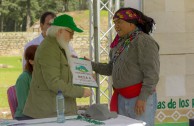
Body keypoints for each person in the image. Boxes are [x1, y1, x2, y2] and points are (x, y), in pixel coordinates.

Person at [91, 7, 160, 126]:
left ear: (131, 24)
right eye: (114, 23)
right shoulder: (119, 43)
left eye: (119, 22)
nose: (116, 26)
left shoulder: (143, 41)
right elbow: (109, 69)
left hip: (139, 98)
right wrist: (89, 65)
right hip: (122, 98)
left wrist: (142, 98)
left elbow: (152, 74)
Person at [23, 14, 92, 119]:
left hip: (56, 111)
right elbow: (54, 82)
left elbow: (66, 76)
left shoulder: (58, 46)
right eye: (71, 33)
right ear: (60, 31)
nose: (72, 37)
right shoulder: (49, 49)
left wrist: (87, 77)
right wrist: (81, 92)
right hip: (48, 114)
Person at [15, 45, 38, 120]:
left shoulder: (43, 76)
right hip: (25, 117)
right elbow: (24, 106)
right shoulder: (23, 79)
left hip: (40, 115)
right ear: (31, 61)